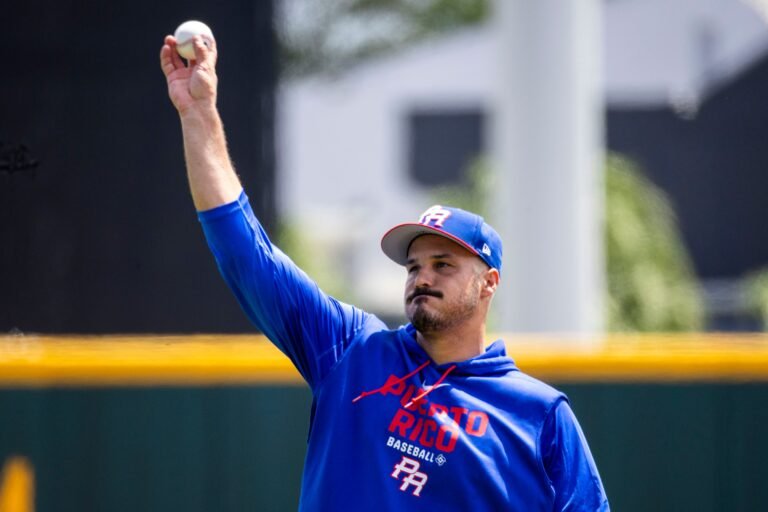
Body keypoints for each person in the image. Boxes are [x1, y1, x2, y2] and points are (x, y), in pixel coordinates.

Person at [160, 33, 609, 512]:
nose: (422, 278)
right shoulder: (351, 350)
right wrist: (198, 114)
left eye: (443, 265)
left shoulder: (538, 415)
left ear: (489, 283)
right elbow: (247, 254)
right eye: (414, 265)